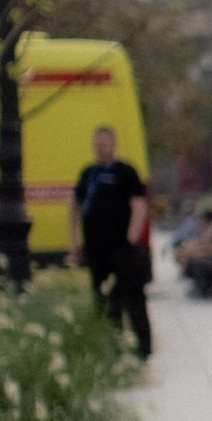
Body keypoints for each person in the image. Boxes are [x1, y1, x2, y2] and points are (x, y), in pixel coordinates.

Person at [69, 125, 152, 358]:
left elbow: (139, 205)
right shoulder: (88, 174)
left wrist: (131, 238)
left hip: (121, 248)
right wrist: (74, 241)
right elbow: (75, 205)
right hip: (96, 249)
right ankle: (113, 349)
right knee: (104, 301)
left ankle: (143, 348)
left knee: (133, 297)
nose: (101, 148)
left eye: (104, 144)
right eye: (97, 145)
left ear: (113, 144)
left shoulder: (125, 172)